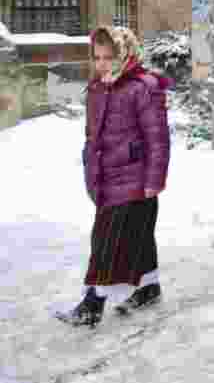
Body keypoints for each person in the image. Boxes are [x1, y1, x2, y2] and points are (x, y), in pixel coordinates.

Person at [58, 26, 172, 327]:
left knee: (107, 241)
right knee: (139, 236)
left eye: (109, 57)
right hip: (107, 178)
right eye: (97, 57)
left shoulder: (143, 87)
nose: (102, 64)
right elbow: (92, 135)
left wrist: (153, 181)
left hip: (134, 180)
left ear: (125, 54)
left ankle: (92, 304)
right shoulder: (98, 87)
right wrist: (89, 163)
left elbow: (158, 139)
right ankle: (149, 286)